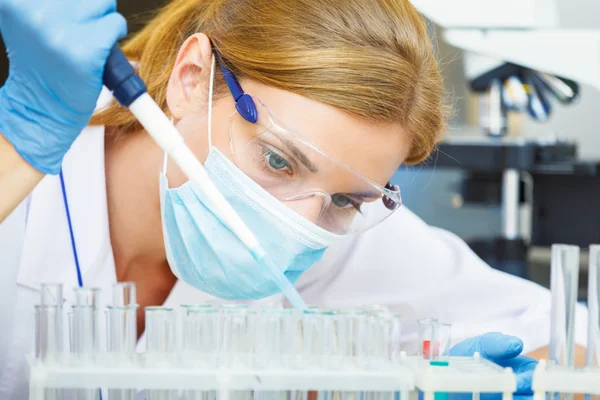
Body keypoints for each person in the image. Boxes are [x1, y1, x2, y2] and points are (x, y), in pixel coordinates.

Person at [0, 0, 588, 398]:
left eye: (346, 201)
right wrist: (16, 154)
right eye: (278, 160)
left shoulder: (326, 228)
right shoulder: (26, 155)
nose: (295, 227)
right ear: (191, 77)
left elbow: (566, 342)